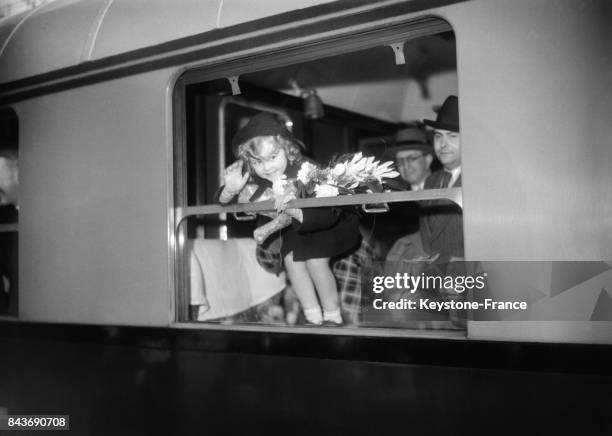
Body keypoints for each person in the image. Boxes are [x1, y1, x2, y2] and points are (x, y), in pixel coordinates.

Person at [219, 113, 361, 325]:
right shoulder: (255, 176)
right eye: (258, 162)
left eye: (273, 157)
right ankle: (312, 317)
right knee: (291, 261)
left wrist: (292, 206)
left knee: (315, 261)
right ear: (249, 161)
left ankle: (333, 316)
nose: (267, 167)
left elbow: (328, 208)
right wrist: (230, 190)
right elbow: (223, 200)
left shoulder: (307, 168)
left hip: (331, 224)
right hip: (297, 230)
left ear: (287, 148)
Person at [421, 95, 464, 261]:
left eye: (452, 136)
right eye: (438, 136)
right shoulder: (431, 181)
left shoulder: (479, 180)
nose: (443, 144)